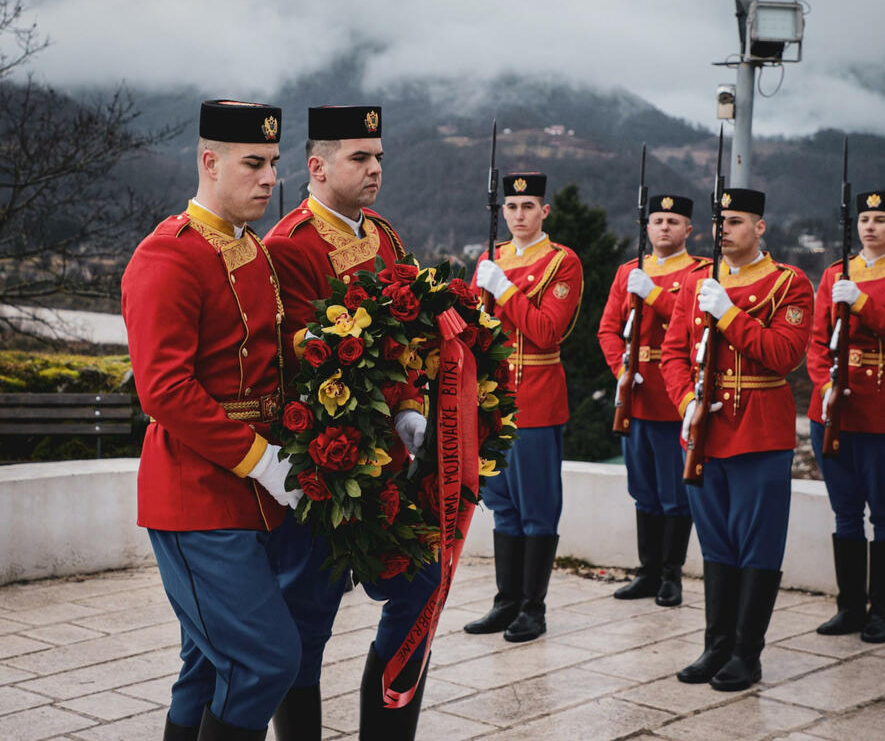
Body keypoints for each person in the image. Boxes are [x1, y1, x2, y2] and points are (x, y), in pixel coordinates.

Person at [122, 100, 304, 741]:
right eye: (253, 164)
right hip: (195, 498)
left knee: (205, 667)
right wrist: (265, 460)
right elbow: (165, 391)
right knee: (266, 660)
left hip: (254, 497)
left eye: (273, 164)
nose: (268, 179)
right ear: (210, 161)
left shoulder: (251, 249)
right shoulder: (166, 257)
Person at [263, 105, 437, 741]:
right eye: (360, 158)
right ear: (317, 165)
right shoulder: (290, 245)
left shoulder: (385, 235)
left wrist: (412, 401)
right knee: (306, 622)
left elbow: (408, 335)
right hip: (326, 471)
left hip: (388, 465)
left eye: (379, 158)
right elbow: (297, 362)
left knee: (422, 588)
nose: (375, 170)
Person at [661, 187, 813, 691]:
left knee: (757, 547)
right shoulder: (696, 283)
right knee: (717, 546)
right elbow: (672, 356)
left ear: (760, 228)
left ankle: (748, 653)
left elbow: (783, 354)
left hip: (759, 431)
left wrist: (728, 313)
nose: (725, 228)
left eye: (738, 220)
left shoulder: (789, 284)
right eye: (721, 220)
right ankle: (716, 646)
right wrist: (686, 404)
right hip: (705, 432)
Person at [806, 191, 885, 643]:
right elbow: (817, 343)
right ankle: (850, 607)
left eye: (881, 220)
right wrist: (825, 388)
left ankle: (882, 611)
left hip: (883, 406)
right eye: (864, 219)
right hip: (835, 407)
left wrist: (861, 303)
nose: (870, 227)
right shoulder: (833, 274)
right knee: (844, 512)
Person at [464, 171, 583, 642]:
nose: (518, 216)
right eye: (511, 209)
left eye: (527, 207)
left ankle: (533, 608)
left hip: (536, 394)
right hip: (496, 395)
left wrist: (505, 289)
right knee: (504, 506)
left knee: (537, 507)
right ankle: (505, 601)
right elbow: (476, 328)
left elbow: (547, 330)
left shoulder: (562, 263)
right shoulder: (491, 258)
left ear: (544, 211)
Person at [597, 194, 706, 606]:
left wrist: (656, 296)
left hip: (672, 394)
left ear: (688, 231)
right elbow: (608, 328)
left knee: (673, 491)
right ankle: (647, 571)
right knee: (643, 488)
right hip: (636, 391)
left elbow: (693, 322)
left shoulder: (700, 272)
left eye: (673, 221)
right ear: (647, 227)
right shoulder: (629, 271)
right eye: (657, 220)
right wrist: (621, 371)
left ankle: (670, 575)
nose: (664, 227)